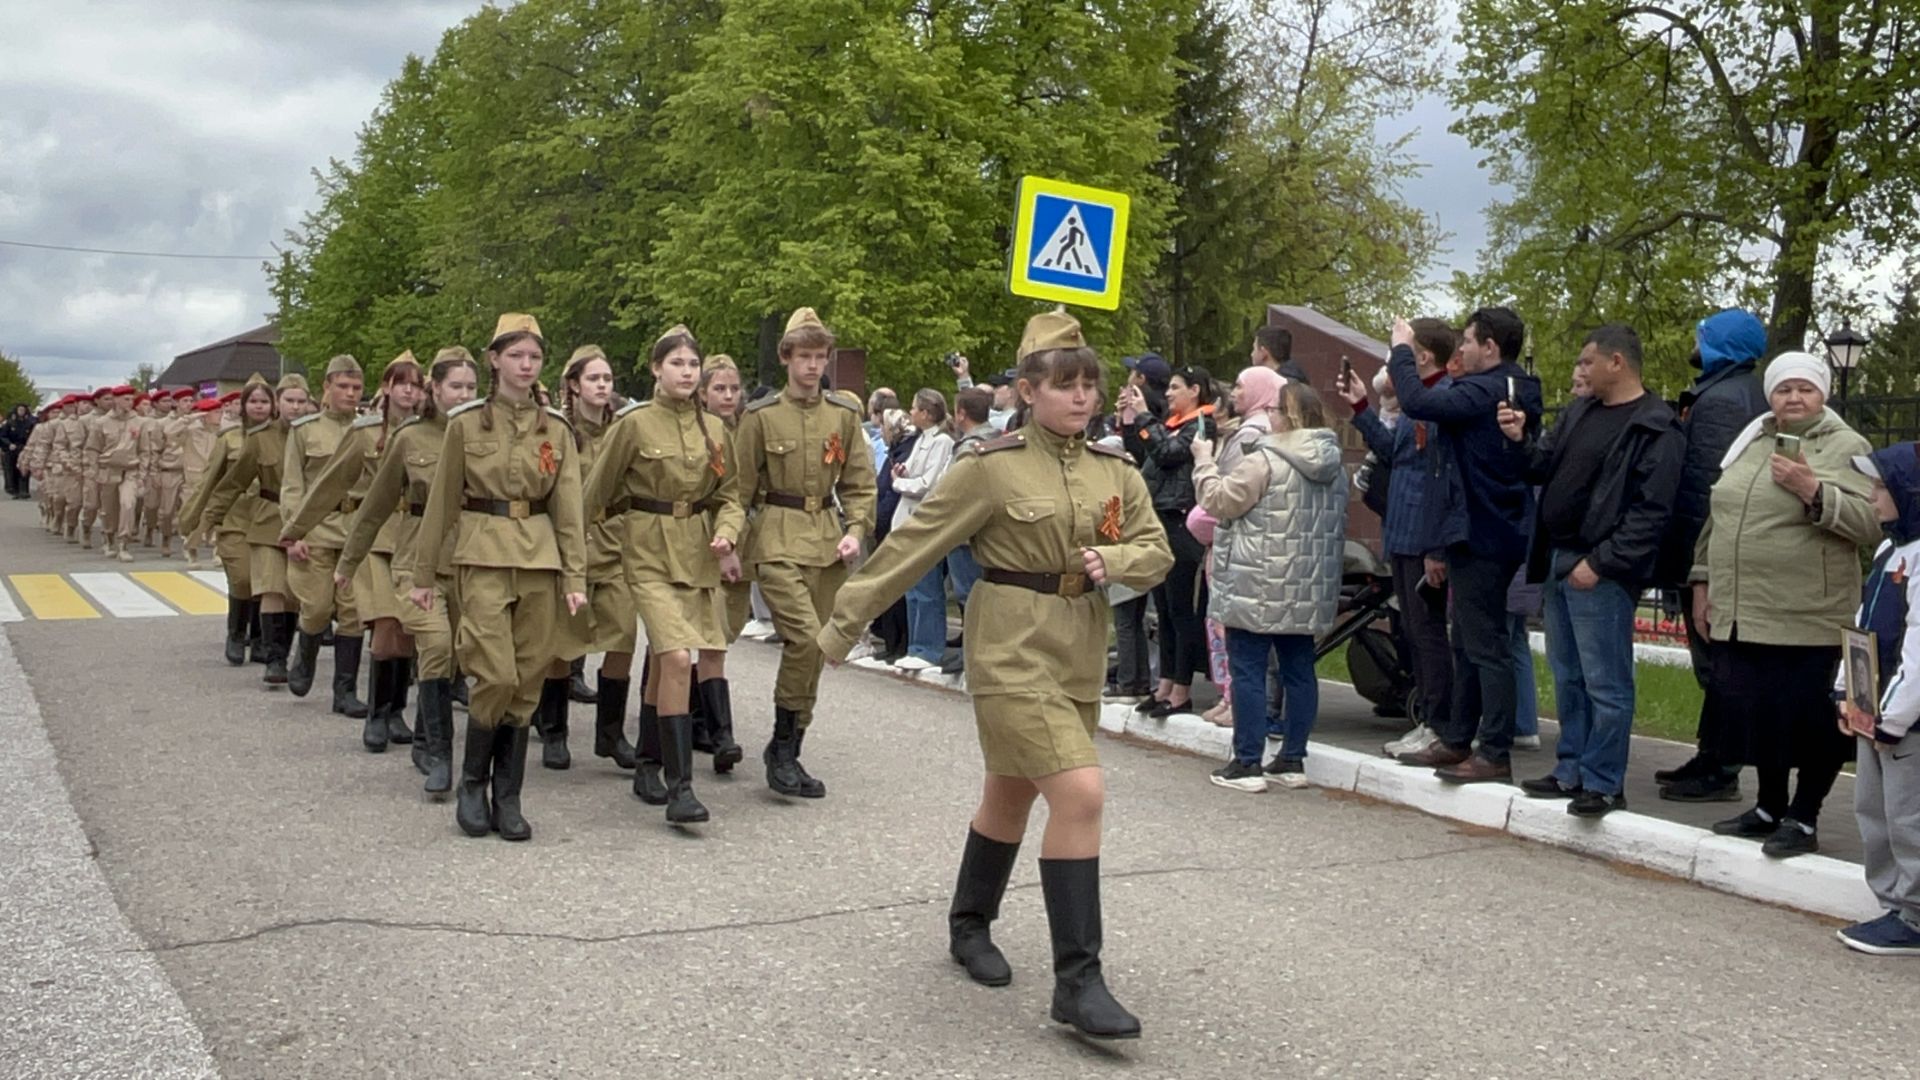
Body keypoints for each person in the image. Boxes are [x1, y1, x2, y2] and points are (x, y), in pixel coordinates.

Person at [818, 308, 1172, 1039]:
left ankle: (969, 923)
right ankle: (1079, 982)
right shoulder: (990, 466)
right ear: (1029, 391)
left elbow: (1155, 546)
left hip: (1077, 648)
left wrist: (1122, 562)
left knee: (1010, 794)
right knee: (1080, 792)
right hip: (1009, 646)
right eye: (1064, 384)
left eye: (1088, 386)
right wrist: (841, 625)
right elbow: (911, 545)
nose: (1080, 398)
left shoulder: (1115, 470)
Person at [411, 314, 588, 842]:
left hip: (539, 557)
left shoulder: (556, 428)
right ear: (495, 360)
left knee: (529, 676)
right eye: (516, 355)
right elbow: (441, 503)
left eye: (534, 357)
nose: (526, 365)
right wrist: (423, 574)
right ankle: (471, 784)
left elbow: (569, 507)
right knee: (496, 674)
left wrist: (575, 576)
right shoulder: (466, 425)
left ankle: (507, 795)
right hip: (482, 553)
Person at [1693, 352, 1878, 857]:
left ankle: (1804, 816)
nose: (1793, 398)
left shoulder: (1846, 445)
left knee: (1810, 724)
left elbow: (1869, 521)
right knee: (1757, 716)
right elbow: (1719, 515)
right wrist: (1703, 582)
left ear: (1823, 394)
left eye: (1806, 389)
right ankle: (1769, 806)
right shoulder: (1751, 438)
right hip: (1743, 609)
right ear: (1770, 394)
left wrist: (1812, 490)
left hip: (1808, 615)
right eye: (1783, 389)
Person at [1502, 324, 1683, 816]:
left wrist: (1601, 563)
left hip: (1600, 569)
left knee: (1606, 681)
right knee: (1569, 675)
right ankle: (1570, 770)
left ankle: (1603, 781)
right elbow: (1542, 467)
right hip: (1559, 557)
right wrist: (1520, 439)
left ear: (1616, 363)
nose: (1580, 370)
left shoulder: (1654, 425)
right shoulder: (1582, 411)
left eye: (1587, 362)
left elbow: (1650, 511)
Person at [581, 325, 745, 824]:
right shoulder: (633, 426)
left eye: (693, 365)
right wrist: (569, 562)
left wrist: (728, 532)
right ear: (656, 369)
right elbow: (594, 494)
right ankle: (682, 789)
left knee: (665, 662)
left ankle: (649, 764)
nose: (686, 372)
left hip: (696, 555)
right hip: (646, 553)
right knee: (676, 657)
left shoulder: (714, 430)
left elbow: (730, 494)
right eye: (676, 364)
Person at [1390, 309, 1544, 783]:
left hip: (1485, 531)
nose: (1462, 351)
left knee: (1486, 644)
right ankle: (1459, 738)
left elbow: (1417, 401)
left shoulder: (1490, 389)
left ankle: (1494, 750)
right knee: (1466, 640)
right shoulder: (1493, 388)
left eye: (1470, 342)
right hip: (1471, 528)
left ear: (1491, 347)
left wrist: (1400, 348)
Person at [733, 308, 878, 799]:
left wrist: (856, 529)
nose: (814, 366)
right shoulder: (760, 418)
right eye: (805, 357)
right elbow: (739, 489)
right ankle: (781, 748)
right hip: (775, 536)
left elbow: (860, 484)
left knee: (815, 650)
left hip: (826, 540)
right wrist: (732, 541)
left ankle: (789, 745)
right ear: (786, 358)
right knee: (804, 639)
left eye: (821, 357)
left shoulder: (844, 415)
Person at [1196, 380, 1349, 792]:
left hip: (1256, 580)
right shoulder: (1335, 467)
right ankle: (1292, 759)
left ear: (1289, 417)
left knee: (1248, 668)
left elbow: (1220, 502)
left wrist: (1204, 463)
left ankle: (1247, 762)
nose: (1271, 418)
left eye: (1276, 411)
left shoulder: (1265, 459)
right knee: (1299, 670)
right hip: (1307, 587)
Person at [340, 347, 479, 796]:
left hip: (473, 558)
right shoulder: (410, 438)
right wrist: (348, 562)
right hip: (416, 558)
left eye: (471, 387)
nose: (462, 395)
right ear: (433, 389)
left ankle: (423, 738)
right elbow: (376, 505)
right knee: (434, 642)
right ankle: (440, 754)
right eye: (454, 386)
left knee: (456, 653)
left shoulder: (486, 433)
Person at [1656, 309, 1771, 802]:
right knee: (1718, 661)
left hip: (1710, 559)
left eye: (1701, 335)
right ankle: (1711, 754)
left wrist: (1694, 568)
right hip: (1720, 557)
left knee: (1717, 663)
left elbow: (1707, 490)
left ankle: (1722, 768)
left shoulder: (1723, 401)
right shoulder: (1737, 392)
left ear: (1720, 345)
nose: (1693, 342)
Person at [286, 354, 425, 750]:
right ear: (387, 387)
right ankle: (374, 712)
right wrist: (294, 529)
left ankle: (377, 704)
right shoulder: (360, 433)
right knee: (354, 617)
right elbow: (322, 484)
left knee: (388, 625)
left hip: (408, 539)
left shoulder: (431, 432)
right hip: (365, 536)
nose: (408, 391)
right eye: (401, 383)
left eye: (415, 384)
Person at [1339, 320, 1465, 757]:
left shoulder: (1440, 399)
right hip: (1405, 531)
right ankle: (1430, 718)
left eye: (1402, 354)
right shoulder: (1421, 402)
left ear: (1423, 356)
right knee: (1414, 630)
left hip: (1423, 536)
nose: (1395, 364)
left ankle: (1441, 722)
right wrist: (1359, 407)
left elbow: (1440, 482)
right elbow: (1397, 451)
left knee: (1428, 633)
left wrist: (1436, 548)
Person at [1835, 446, 1920, 955]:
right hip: (1873, 714)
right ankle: (1896, 903)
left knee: (1909, 816)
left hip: (1904, 725)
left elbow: (1918, 650)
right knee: (1876, 812)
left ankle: (1916, 914)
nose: (1871, 496)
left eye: (1881, 487)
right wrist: (1847, 688)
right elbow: (1863, 625)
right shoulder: (1891, 552)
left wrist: (1894, 717)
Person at [202, 374, 311, 684]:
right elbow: (233, 481)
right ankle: (273, 658)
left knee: (292, 595)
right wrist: (209, 517)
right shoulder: (261, 438)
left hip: (306, 522)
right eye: (289, 400)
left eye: (301, 401)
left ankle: (283, 651)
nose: (295, 407)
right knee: (271, 587)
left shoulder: (316, 436)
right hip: (267, 519)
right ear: (280, 403)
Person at [1119, 364, 1215, 717]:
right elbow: (1146, 457)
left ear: (1195, 391)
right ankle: (1165, 684)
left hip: (1181, 521)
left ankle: (1181, 689)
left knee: (1181, 610)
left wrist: (1145, 417)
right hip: (1160, 518)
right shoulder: (1172, 425)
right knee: (1164, 611)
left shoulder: (1202, 425)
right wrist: (1132, 421)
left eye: (1176, 388)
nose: (1170, 393)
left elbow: (1169, 455)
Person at [280, 355, 371, 719]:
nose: (350, 394)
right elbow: (292, 485)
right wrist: (294, 531)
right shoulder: (305, 431)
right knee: (317, 607)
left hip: (356, 532)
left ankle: (344, 691)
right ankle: (305, 653)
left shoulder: (369, 429)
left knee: (353, 613)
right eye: (343, 387)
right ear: (327, 388)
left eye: (356, 387)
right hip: (317, 529)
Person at [892, 388, 957, 672]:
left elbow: (927, 484)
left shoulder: (942, 441)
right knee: (912, 588)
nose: (911, 412)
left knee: (927, 587)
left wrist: (900, 483)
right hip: (906, 518)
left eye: (916, 408)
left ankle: (929, 647)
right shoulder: (921, 439)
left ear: (927, 414)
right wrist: (903, 473)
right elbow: (911, 471)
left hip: (923, 518)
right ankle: (915, 645)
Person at [944, 386, 995, 614]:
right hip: (989, 531)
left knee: (970, 596)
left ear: (961, 414)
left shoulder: (969, 448)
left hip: (965, 534)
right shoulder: (998, 440)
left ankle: (973, 649)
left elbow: (955, 492)